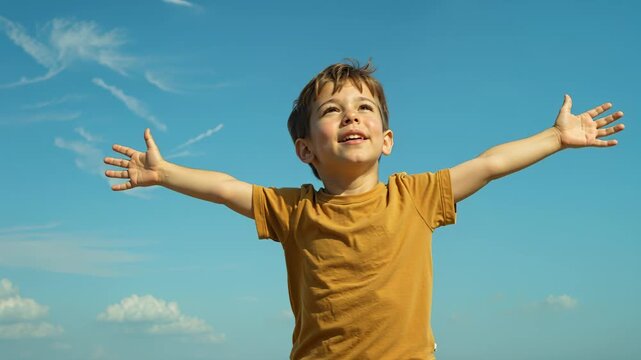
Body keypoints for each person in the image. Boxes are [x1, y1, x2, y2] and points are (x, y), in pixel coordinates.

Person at [104, 60, 625, 360]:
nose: (351, 116)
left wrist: (556, 137)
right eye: (332, 111)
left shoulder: (415, 197)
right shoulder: (293, 211)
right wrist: (164, 173)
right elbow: (225, 187)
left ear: (387, 139)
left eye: (364, 108)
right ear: (306, 149)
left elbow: (489, 164)